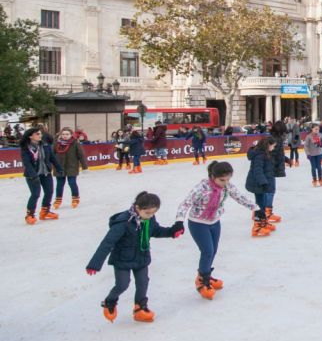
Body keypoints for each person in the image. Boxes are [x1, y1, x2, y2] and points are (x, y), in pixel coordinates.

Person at [86, 191, 183, 323]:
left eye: (153, 213)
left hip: (141, 257)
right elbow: (107, 243)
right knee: (122, 285)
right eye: (148, 213)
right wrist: (94, 264)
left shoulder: (149, 219)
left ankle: (140, 308)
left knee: (143, 283)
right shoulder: (123, 223)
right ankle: (110, 301)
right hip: (122, 259)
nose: (151, 216)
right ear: (137, 208)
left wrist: (171, 232)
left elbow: (156, 230)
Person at [176, 161, 260, 299]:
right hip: (198, 223)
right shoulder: (202, 187)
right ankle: (202, 281)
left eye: (228, 179)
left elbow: (239, 197)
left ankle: (206, 274)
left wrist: (256, 208)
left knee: (213, 250)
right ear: (212, 176)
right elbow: (185, 203)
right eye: (222, 180)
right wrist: (179, 221)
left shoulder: (227, 187)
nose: (225, 182)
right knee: (207, 251)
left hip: (215, 221)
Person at [21, 127, 64, 224]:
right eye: (37, 134)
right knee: (35, 194)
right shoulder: (25, 148)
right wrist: (33, 175)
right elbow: (27, 163)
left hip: (45, 173)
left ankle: (45, 211)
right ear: (30, 136)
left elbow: (52, 158)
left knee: (49, 192)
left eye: (40, 134)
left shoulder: (45, 145)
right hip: (32, 175)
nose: (40, 135)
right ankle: (30, 214)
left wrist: (59, 168)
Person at [244, 137, 277, 237]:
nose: (274, 148)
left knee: (262, 205)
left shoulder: (265, 154)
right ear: (268, 145)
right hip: (257, 184)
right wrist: (263, 183)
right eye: (273, 146)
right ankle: (257, 228)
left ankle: (263, 222)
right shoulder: (260, 155)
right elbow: (257, 171)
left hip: (260, 183)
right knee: (259, 205)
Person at [53, 126, 88, 209]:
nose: (65, 136)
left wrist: (84, 167)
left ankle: (75, 198)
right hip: (59, 167)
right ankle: (58, 199)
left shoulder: (75, 143)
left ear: (71, 135)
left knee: (72, 183)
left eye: (67, 134)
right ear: (60, 135)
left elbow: (81, 156)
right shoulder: (56, 144)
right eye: (63, 134)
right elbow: (51, 155)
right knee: (59, 184)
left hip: (72, 166)